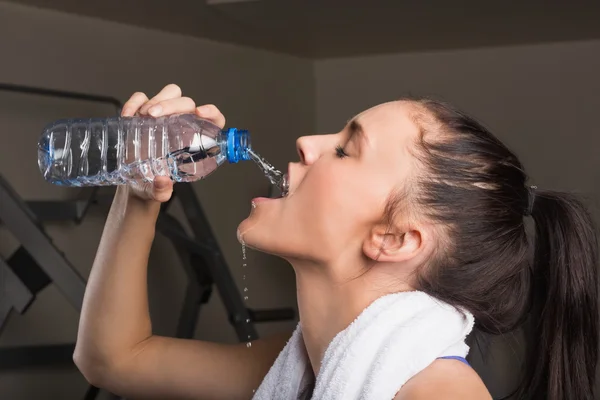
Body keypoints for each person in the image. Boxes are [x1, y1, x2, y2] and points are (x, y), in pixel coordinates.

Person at [73, 84, 599, 400]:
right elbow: (114, 358)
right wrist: (139, 193)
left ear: (394, 238)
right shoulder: (302, 366)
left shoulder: (437, 395)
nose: (306, 142)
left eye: (346, 150)